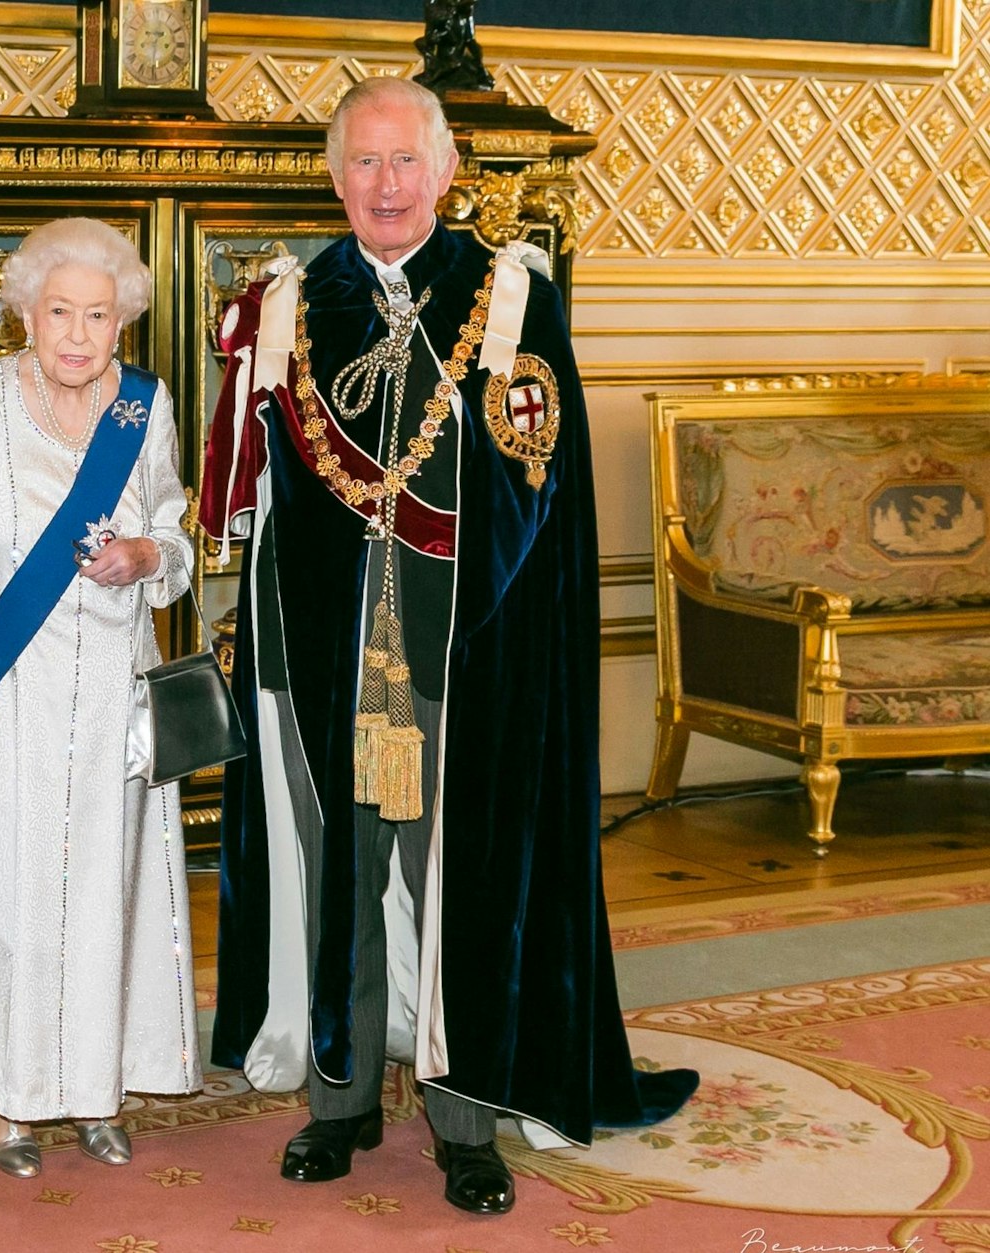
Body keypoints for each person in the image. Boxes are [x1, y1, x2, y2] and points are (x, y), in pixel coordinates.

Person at [201, 77, 697, 1216]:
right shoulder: (287, 301)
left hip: (464, 658)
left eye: (403, 161)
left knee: (457, 885)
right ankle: (339, 1105)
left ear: (443, 170)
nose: (384, 184)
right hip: (328, 653)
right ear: (335, 179)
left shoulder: (507, 294)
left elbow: (542, 485)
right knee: (337, 880)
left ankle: (465, 1115)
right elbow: (266, 496)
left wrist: (481, 639)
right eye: (362, 164)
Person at [0, 217, 202, 1179]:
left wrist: (148, 555)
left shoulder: (144, 410)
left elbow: (177, 537)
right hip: (9, 694)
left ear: (123, 323)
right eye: (60, 311)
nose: (77, 333)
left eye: (98, 316)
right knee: (6, 894)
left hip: (113, 697)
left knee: (107, 889)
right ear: (26, 314)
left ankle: (95, 1091)